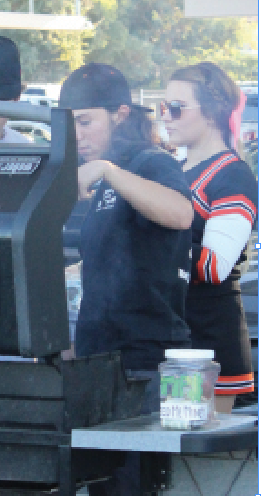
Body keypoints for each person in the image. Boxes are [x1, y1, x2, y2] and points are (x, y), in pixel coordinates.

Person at [58, 63, 193, 496]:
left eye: (85, 121)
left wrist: (109, 172)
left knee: (135, 484)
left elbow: (180, 214)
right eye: (70, 124)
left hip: (146, 357)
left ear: (120, 114)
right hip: (99, 358)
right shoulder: (98, 175)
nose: (78, 134)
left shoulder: (149, 162)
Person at [163, 62, 258, 413]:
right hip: (176, 337)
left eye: (176, 108)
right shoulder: (176, 168)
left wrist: (148, 250)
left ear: (213, 112)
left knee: (189, 455)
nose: (166, 117)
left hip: (209, 342)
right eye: (163, 107)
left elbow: (215, 267)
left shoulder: (232, 175)